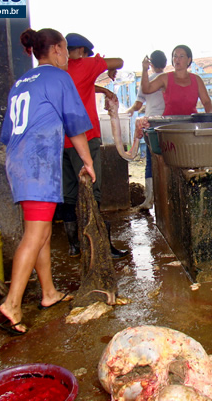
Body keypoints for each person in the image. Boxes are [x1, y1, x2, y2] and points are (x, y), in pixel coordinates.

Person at [0, 27, 96, 335]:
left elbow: (7, 133)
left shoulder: (21, 82)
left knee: (42, 232)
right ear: (55, 50)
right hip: (38, 163)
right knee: (34, 235)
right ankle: (12, 304)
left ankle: (49, 293)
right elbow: (75, 125)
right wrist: (88, 161)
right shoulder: (58, 78)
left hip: (18, 161)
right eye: (65, 49)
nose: (67, 56)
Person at [61, 32, 128, 259]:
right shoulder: (85, 65)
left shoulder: (59, 71)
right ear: (81, 51)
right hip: (84, 139)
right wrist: (105, 67)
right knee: (92, 191)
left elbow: (81, 84)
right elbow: (119, 61)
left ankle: (74, 246)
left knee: (69, 194)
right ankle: (99, 246)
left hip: (61, 141)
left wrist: (102, 89)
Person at [126, 50, 167, 210]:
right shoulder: (169, 79)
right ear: (165, 63)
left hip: (151, 124)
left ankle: (149, 199)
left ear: (151, 64)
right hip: (168, 124)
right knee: (169, 159)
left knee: (151, 160)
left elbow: (137, 105)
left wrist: (128, 111)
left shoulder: (147, 81)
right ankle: (165, 198)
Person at [141, 44, 212, 116]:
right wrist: (144, 69)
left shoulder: (197, 80)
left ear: (189, 60)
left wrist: (210, 118)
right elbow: (146, 89)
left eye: (181, 56)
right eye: (175, 56)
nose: (177, 59)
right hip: (170, 122)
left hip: (191, 122)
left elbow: (207, 102)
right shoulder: (164, 78)